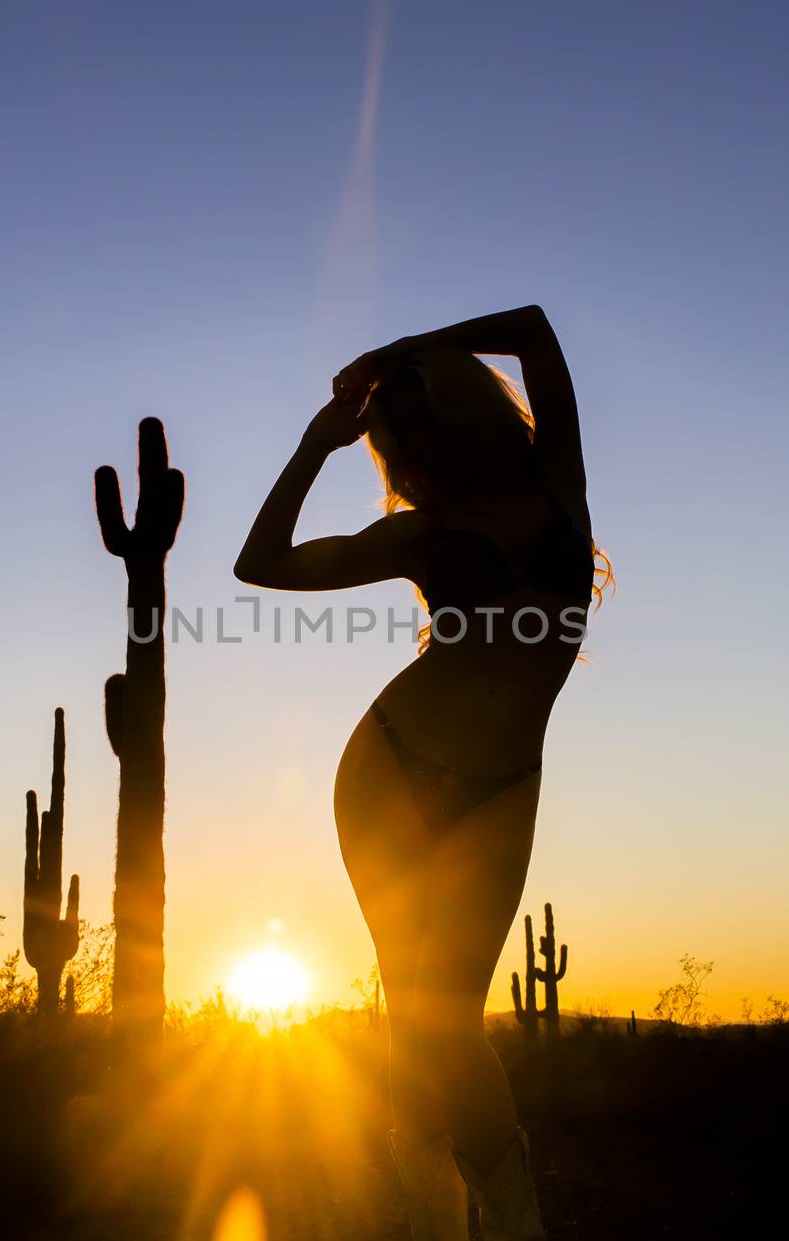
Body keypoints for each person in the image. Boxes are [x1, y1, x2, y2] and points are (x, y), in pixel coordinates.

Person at [234, 305, 608, 1240]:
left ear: (468, 405)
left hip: (501, 786)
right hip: (389, 771)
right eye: (407, 424)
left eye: (427, 407)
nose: (422, 434)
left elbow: (534, 331)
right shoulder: (419, 535)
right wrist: (322, 443)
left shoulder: (557, 474)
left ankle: (508, 1214)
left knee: (448, 1021)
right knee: (419, 1015)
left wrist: (396, 352)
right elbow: (261, 561)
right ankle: (439, 1214)